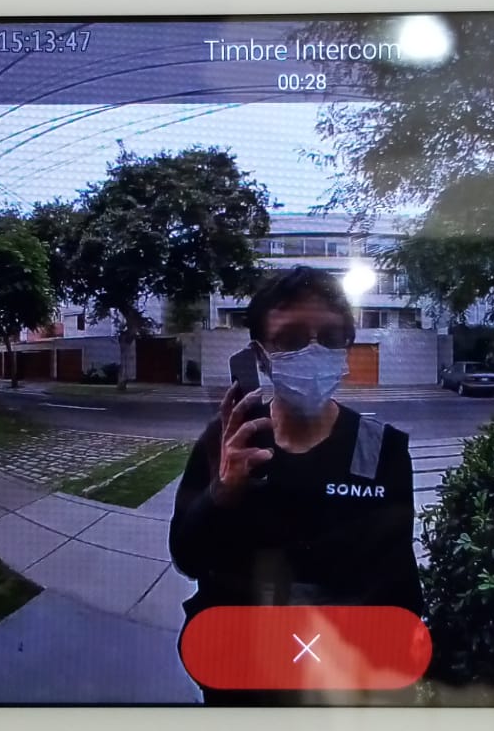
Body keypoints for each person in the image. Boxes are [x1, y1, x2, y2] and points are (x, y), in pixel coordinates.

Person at [168, 265, 424, 704]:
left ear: (347, 346)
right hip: (238, 676)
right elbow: (186, 556)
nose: (313, 351)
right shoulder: (228, 439)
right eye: (289, 340)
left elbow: (400, 589)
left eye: (330, 337)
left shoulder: (382, 449)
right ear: (260, 356)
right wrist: (220, 494)